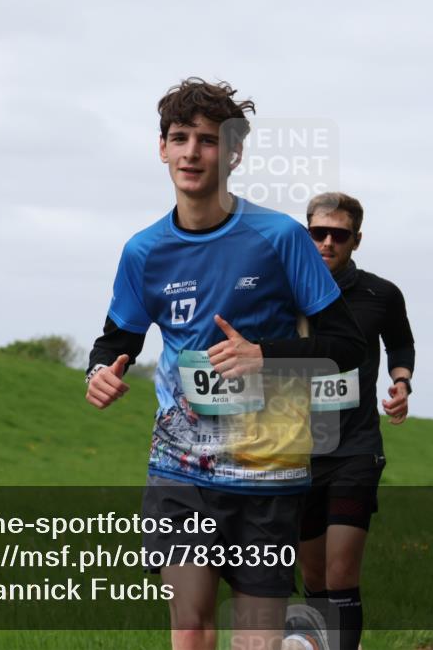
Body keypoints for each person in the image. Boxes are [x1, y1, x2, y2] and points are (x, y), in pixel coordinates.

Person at [85, 78, 365, 650]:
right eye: (179, 138)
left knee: (253, 639)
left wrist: (264, 356)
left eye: (208, 141)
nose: (192, 152)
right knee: (189, 626)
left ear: (233, 153)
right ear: (161, 147)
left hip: (267, 467)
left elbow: (347, 347)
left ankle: (300, 639)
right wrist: (101, 371)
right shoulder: (143, 251)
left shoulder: (279, 236)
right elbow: (119, 336)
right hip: (180, 465)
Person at [298, 192, 416, 649]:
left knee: (340, 570)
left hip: (356, 447)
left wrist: (402, 383)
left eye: (339, 235)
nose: (327, 242)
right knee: (313, 576)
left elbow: (401, 344)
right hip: (297, 449)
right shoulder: (285, 289)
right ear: (306, 234)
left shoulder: (380, 294)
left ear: (356, 240)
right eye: (318, 233)